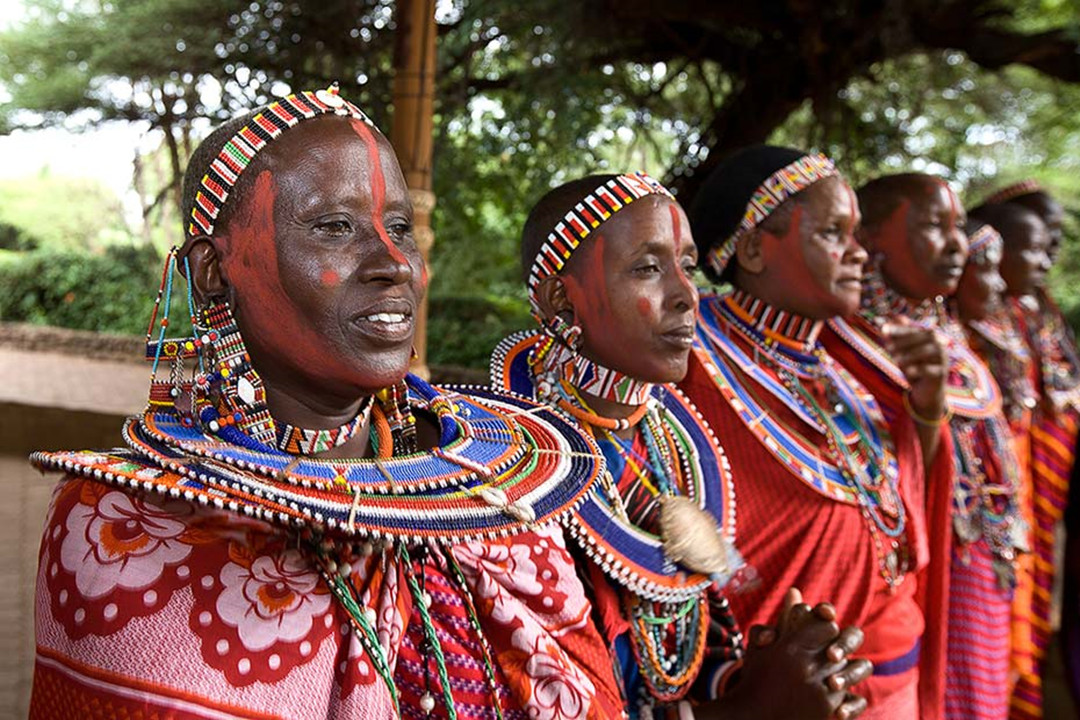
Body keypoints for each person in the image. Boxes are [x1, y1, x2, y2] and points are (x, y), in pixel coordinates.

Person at [27, 85, 627, 719]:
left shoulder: (500, 498)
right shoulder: (123, 530)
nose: (396, 264)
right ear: (212, 271)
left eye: (400, 229)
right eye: (334, 227)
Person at [490, 173, 874, 719]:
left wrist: (780, 661)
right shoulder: (508, 475)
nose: (686, 293)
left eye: (688, 267)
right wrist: (753, 711)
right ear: (561, 300)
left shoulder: (667, 442)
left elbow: (705, 604)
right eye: (648, 268)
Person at [681, 145, 951, 719]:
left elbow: (899, 510)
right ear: (752, 248)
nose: (861, 255)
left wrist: (925, 410)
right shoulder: (687, 365)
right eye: (835, 233)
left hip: (895, 679)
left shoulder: (847, 368)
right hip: (792, 697)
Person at [827, 173, 1026, 720]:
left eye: (958, 226)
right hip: (922, 575)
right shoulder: (844, 344)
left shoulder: (948, 331)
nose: (957, 244)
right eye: (934, 227)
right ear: (871, 240)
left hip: (984, 561)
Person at [970, 199, 1065, 719]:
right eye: (1032, 247)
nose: (1045, 259)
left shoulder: (1026, 322)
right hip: (982, 531)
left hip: (1022, 509)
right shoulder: (962, 338)